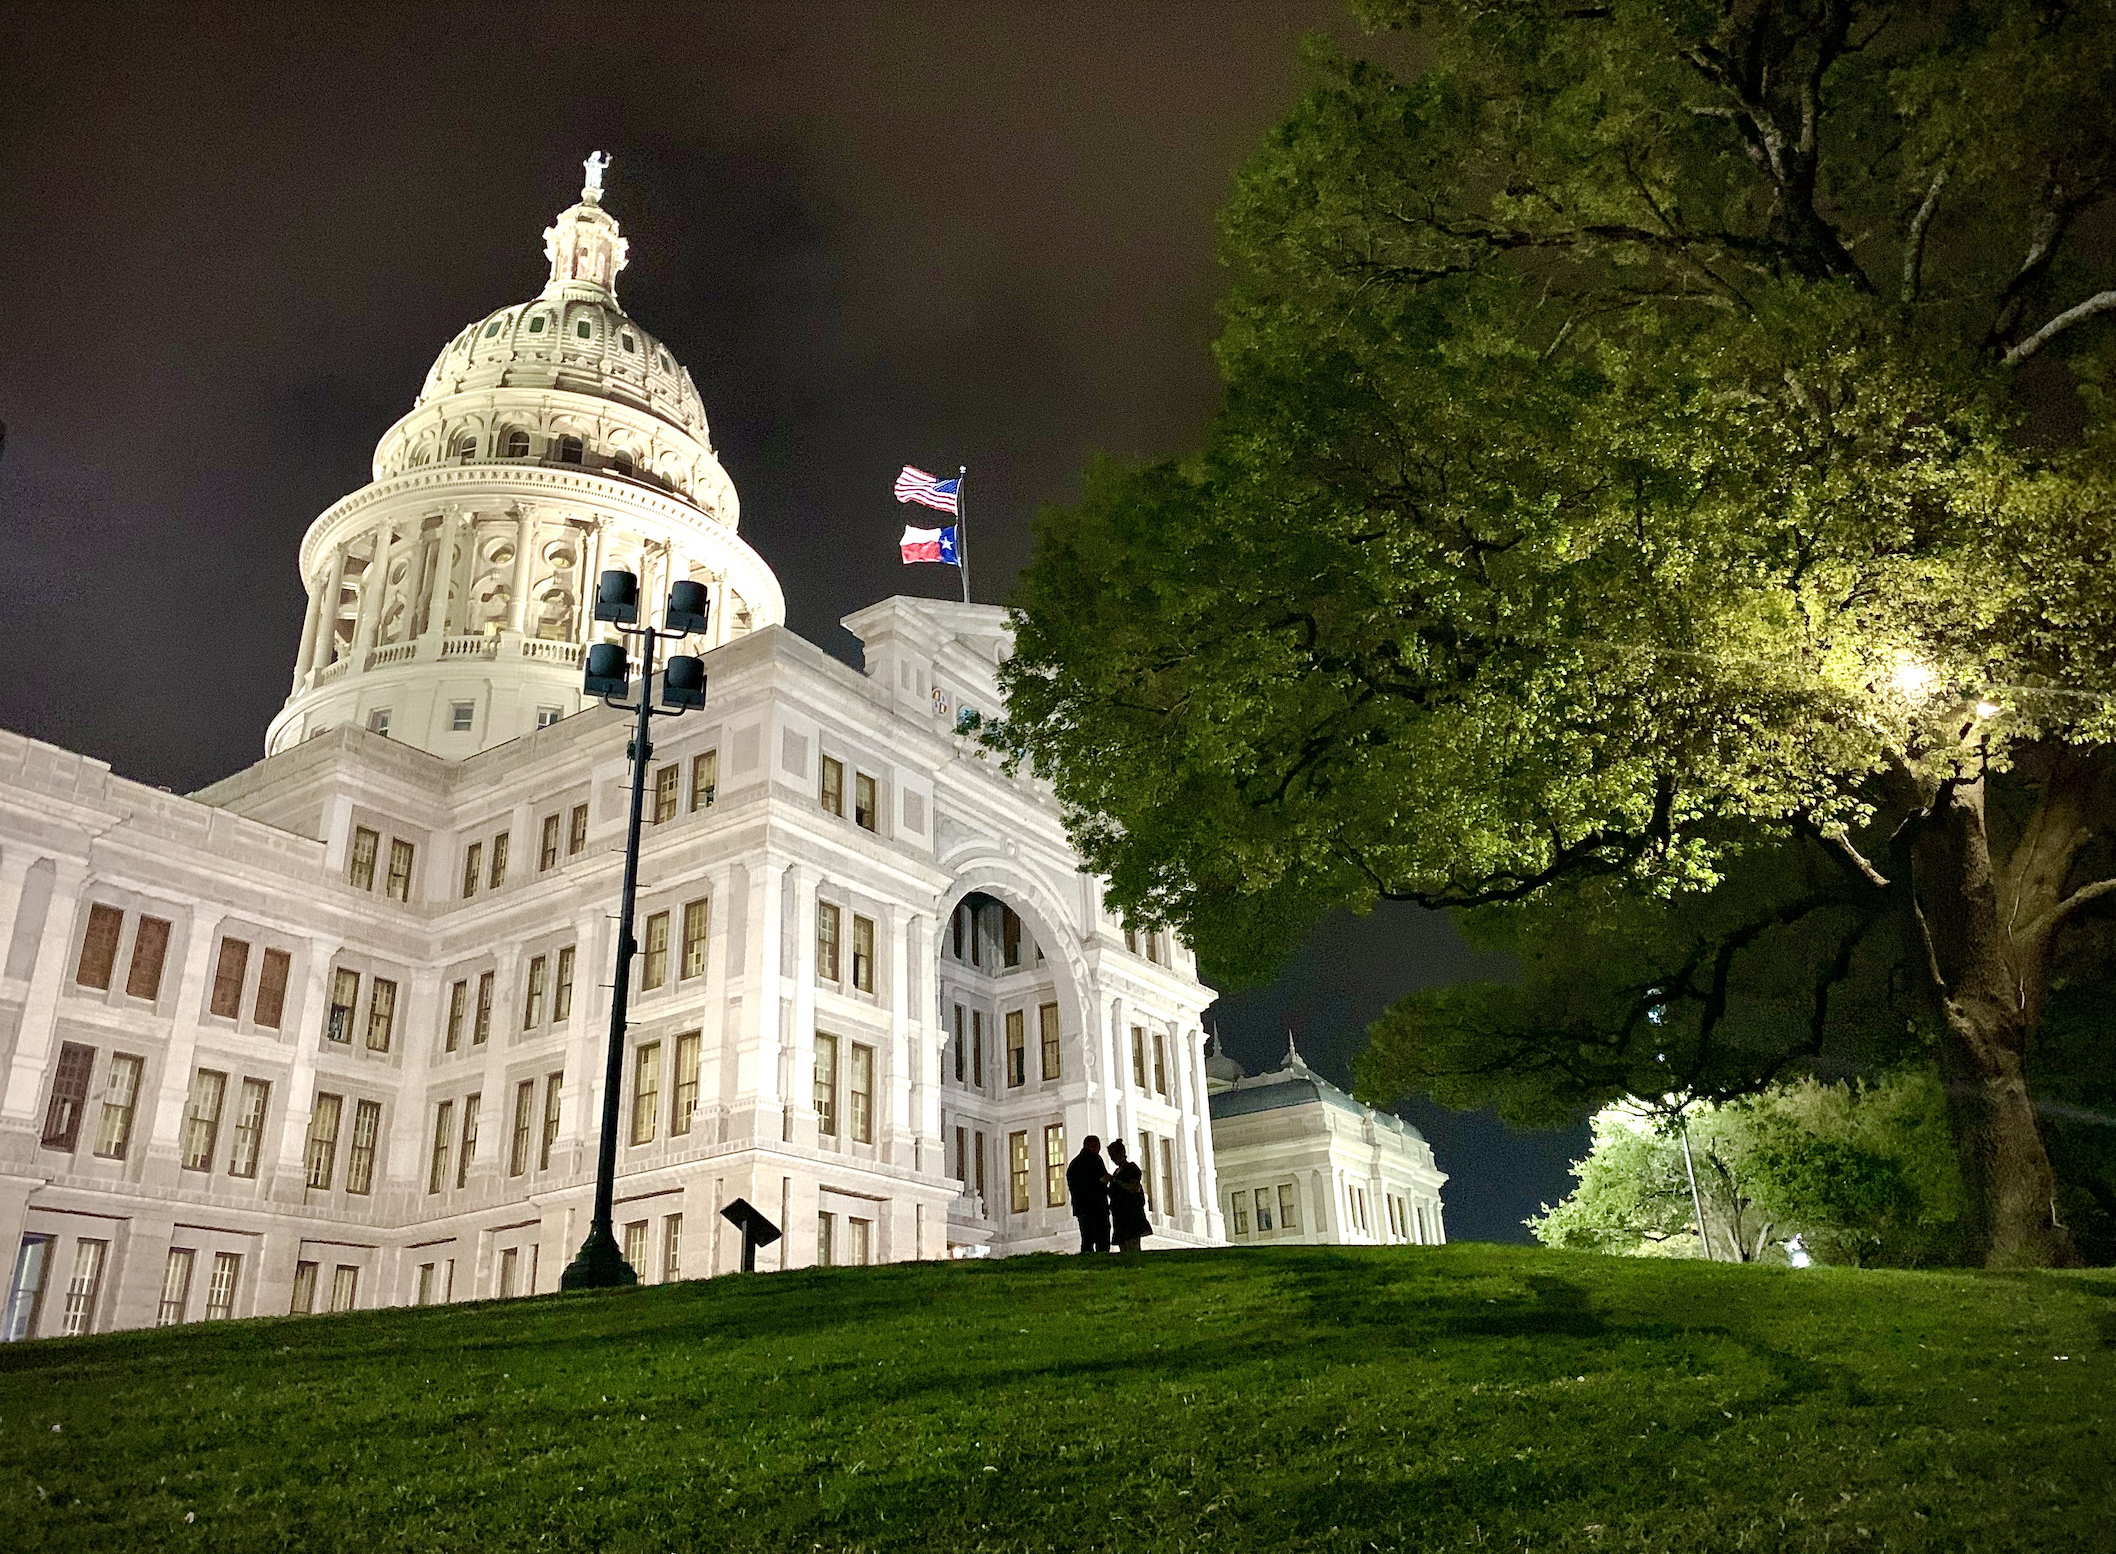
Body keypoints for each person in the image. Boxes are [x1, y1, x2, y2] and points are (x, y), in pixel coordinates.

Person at [1066, 1136, 1111, 1254]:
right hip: (1097, 1205)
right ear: (1094, 1145)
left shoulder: (1074, 1164)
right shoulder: (1095, 1160)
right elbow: (1101, 1180)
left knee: (1087, 1238)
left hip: (1081, 1207)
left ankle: (1088, 1259)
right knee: (1102, 1238)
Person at [1107, 1138, 1151, 1254]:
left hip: (1131, 1212)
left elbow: (1134, 1188)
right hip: (1119, 1214)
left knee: (1133, 1243)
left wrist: (1116, 1181)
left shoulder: (1132, 1169)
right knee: (1123, 1244)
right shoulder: (1117, 1172)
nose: (1113, 1159)